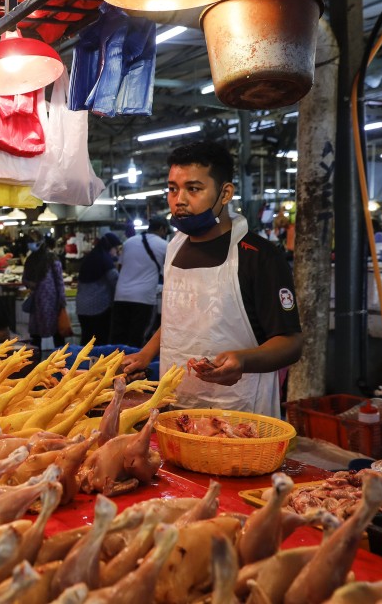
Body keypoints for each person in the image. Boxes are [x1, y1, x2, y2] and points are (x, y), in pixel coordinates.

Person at [121, 141, 303, 416]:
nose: (179, 200)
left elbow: (290, 343)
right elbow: (180, 316)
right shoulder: (174, 246)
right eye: (172, 189)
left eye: (193, 189)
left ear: (225, 192)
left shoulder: (258, 255)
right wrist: (146, 353)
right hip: (175, 404)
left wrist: (243, 360)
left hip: (238, 410)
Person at [110, 215, 170, 349]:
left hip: (121, 296)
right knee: (136, 340)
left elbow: (120, 267)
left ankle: (113, 367)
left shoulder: (129, 242)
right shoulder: (165, 246)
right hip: (143, 298)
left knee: (118, 339)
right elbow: (170, 273)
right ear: (162, 229)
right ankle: (131, 369)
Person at [21, 239, 69, 350]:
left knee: (36, 338)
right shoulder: (52, 258)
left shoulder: (30, 259)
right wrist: (62, 302)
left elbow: (24, 280)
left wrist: (32, 285)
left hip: (39, 303)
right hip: (52, 302)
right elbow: (60, 282)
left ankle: (36, 364)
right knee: (57, 336)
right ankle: (61, 363)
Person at [75, 232, 121, 345]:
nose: (116, 252)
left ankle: (83, 361)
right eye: (115, 248)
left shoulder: (90, 257)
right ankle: (98, 363)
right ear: (110, 247)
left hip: (81, 308)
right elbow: (115, 281)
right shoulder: (105, 259)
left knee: (86, 339)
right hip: (98, 308)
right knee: (99, 341)